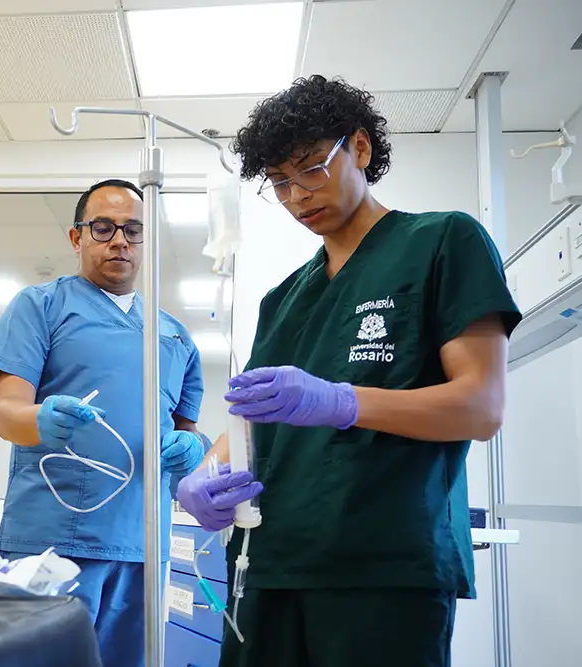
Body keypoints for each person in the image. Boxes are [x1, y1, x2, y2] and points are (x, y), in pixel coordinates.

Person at [175, 75, 522, 667]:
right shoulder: (282, 300)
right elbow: (249, 427)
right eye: (279, 183)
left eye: (312, 168)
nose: (296, 196)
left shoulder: (442, 242)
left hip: (382, 570)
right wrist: (201, 481)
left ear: (359, 148)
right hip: (266, 563)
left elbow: (480, 407)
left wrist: (342, 400)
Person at [0, 179, 208, 667]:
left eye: (133, 229)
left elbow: (186, 434)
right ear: (76, 236)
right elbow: (8, 416)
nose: (120, 240)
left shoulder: (174, 337)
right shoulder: (40, 307)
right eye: (103, 228)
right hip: (52, 543)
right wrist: (42, 418)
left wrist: (193, 448)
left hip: (144, 545)